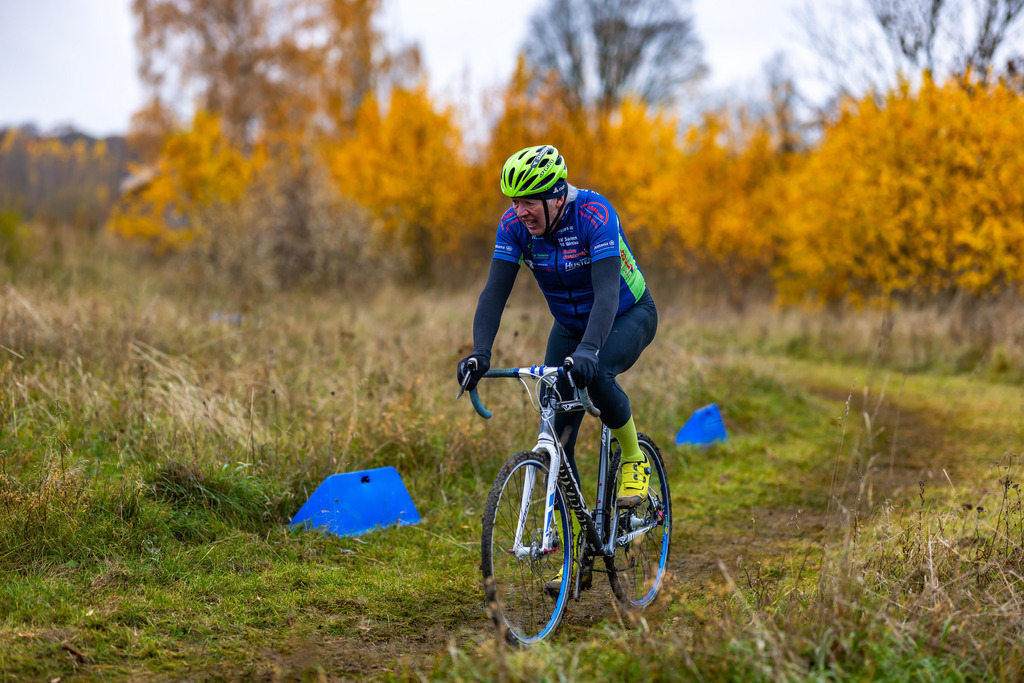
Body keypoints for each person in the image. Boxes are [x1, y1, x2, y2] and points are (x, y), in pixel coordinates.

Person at [457, 145, 658, 589]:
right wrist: (480, 352)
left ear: (556, 195)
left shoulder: (594, 214)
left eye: (529, 201)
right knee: (558, 435)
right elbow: (495, 292)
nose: (520, 211)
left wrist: (589, 351)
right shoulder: (515, 227)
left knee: (599, 373)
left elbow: (606, 294)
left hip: (626, 314)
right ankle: (578, 555)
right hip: (568, 326)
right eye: (514, 201)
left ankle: (632, 456)